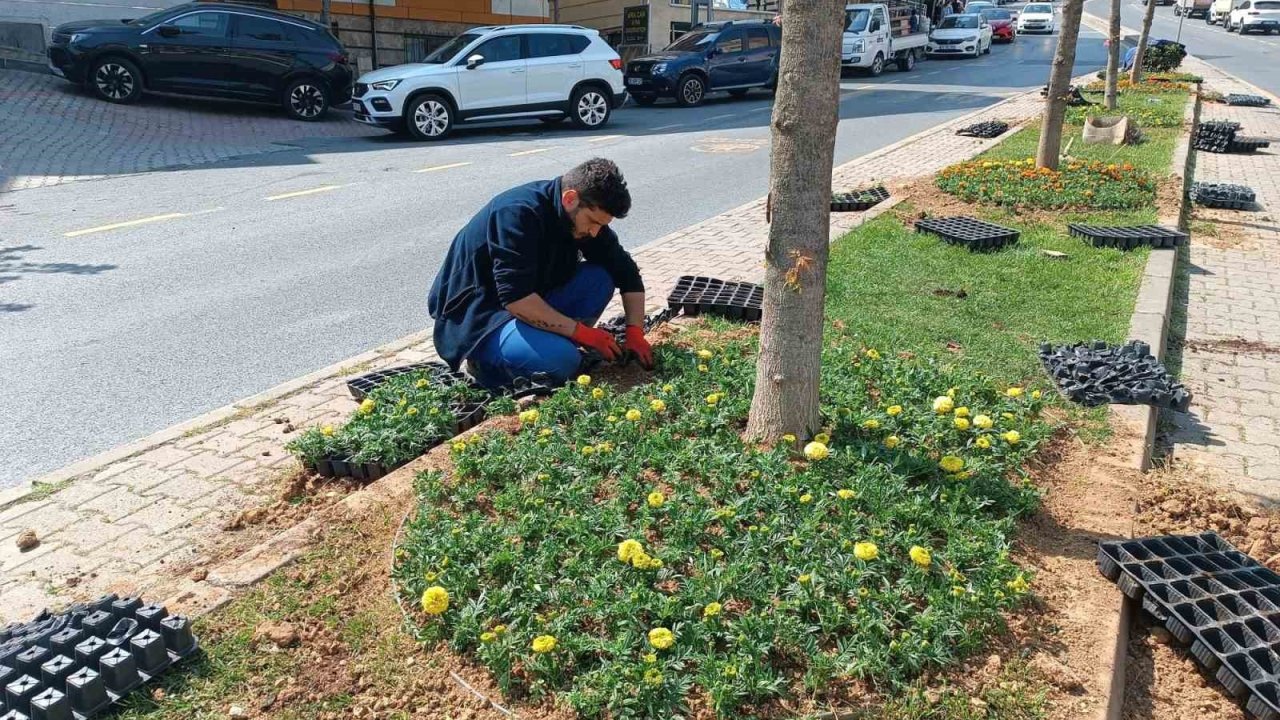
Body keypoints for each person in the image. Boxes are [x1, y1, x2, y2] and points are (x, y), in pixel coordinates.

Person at [428, 158, 654, 390]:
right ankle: (486, 365)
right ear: (570, 199)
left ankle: (545, 344)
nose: (595, 233)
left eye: (602, 225)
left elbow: (626, 272)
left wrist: (635, 332)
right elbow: (517, 299)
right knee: (563, 361)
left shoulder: (581, 219)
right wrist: (584, 334)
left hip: (528, 301)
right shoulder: (517, 213)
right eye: (593, 222)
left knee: (600, 277)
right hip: (480, 318)